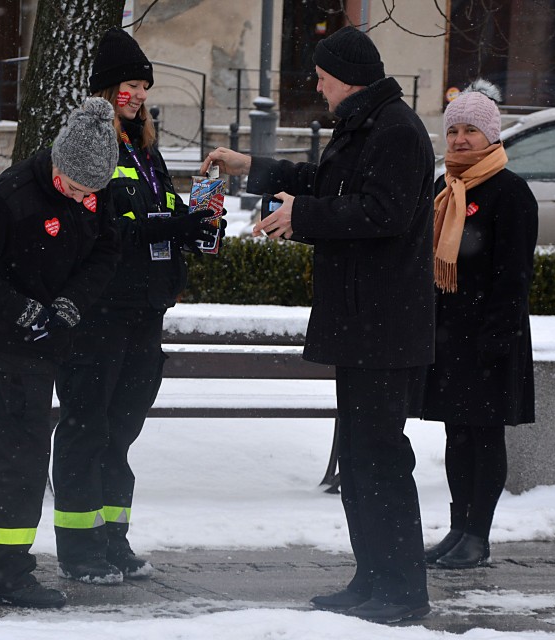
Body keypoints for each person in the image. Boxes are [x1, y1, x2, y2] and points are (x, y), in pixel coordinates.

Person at [201, 26, 434, 624]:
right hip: (362, 322)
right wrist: (251, 166)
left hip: (385, 326)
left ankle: (402, 590)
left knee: (380, 456)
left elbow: (382, 212)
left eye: (323, 75)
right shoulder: (366, 124)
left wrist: (302, 216)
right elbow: (323, 183)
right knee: (357, 459)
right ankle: (371, 576)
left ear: (348, 75)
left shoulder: (397, 131)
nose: (318, 85)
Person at [50, 27, 220, 585]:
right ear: (105, 89)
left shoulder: (145, 146)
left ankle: (112, 540)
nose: (139, 96)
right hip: (99, 311)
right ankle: (78, 549)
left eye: (144, 86)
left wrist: (194, 221)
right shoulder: (87, 142)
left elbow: (163, 206)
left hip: (145, 310)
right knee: (87, 428)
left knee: (120, 433)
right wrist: (165, 222)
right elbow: (94, 222)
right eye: (129, 85)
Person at [0, 97, 121, 608]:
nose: (82, 196)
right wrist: (18, 308)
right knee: (21, 455)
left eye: (91, 191)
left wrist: (69, 303)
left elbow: (107, 252)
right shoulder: (14, 195)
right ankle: (8, 575)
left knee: (5, 452)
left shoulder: (96, 194)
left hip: (49, 342)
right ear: (57, 163)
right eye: (74, 186)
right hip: (6, 344)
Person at [414, 80, 538, 570]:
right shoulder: (445, 188)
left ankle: (478, 536)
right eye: (453, 131)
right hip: (448, 335)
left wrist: (495, 336)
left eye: (471, 131)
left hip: (490, 338)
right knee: (455, 436)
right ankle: (457, 528)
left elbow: (515, 275)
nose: (460, 139)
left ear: (493, 136)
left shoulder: (510, 192)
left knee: (484, 436)